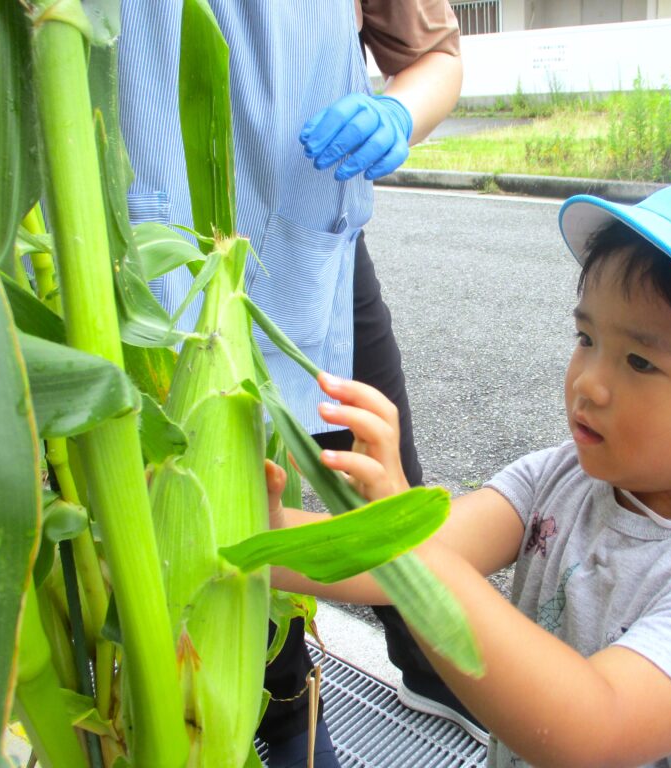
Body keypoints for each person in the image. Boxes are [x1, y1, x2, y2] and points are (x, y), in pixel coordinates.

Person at [263, 169, 671, 767]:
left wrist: (404, 550)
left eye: (640, 362)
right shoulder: (560, 479)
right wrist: (260, 536)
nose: (587, 384)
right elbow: (401, 558)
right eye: (587, 338)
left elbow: (591, 726)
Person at [117, 2, 469, 766]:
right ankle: (281, 706)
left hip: (318, 231)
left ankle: (432, 657)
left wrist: (395, 111)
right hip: (151, 250)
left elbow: (438, 58)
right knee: (199, 498)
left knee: (373, 465)